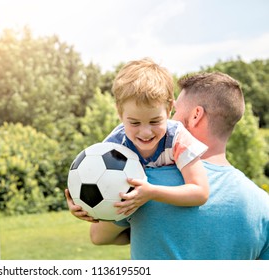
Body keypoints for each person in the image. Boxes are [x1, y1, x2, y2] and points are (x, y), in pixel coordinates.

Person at [65, 70, 269, 259]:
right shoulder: (263, 204)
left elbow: (99, 236)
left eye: (174, 111)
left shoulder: (140, 183)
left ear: (195, 115)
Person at [93, 58, 211, 218]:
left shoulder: (178, 138)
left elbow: (201, 192)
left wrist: (152, 192)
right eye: (134, 123)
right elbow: (96, 183)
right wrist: (81, 205)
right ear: (120, 113)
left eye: (155, 121)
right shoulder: (114, 146)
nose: (146, 132)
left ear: (169, 109)